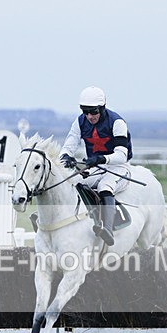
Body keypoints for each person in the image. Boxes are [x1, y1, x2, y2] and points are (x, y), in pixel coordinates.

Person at [59, 86, 133, 246]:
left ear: (102, 108)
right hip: (95, 167)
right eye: (85, 111)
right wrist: (66, 157)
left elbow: (122, 155)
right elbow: (69, 144)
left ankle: (107, 228)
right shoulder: (80, 121)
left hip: (119, 167)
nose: (89, 116)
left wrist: (100, 159)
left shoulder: (117, 122)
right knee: (73, 182)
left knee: (105, 186)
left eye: (93, 112)